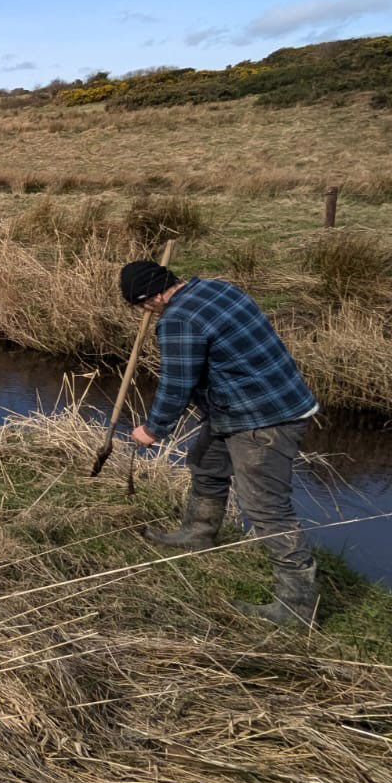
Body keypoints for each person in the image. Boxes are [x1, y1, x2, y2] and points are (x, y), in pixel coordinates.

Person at [120, 260, 321, 627]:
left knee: (266, 507)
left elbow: (177, 385)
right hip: (249, 403)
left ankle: (297, 605)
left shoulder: (179, 320)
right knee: (206, 462)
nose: (143, 312)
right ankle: (198, 533)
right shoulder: (216, 288)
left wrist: (153, 429)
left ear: (151, 298)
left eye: (140, 305)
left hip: (263, 417)